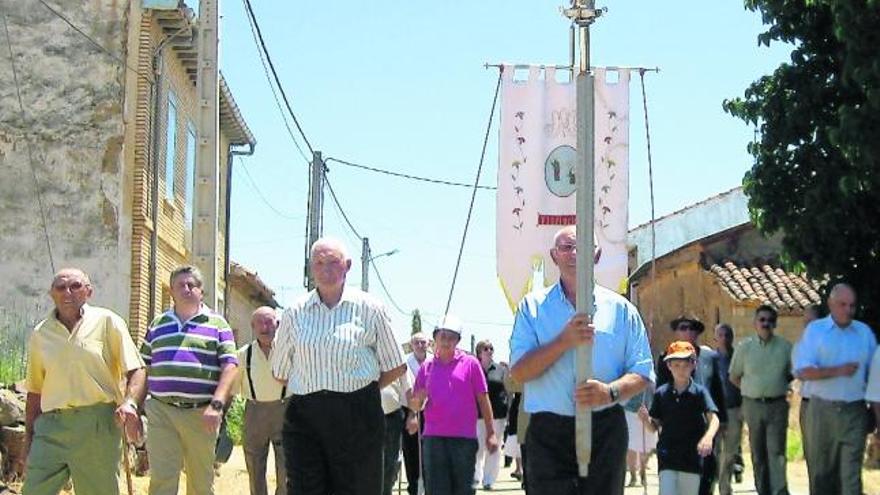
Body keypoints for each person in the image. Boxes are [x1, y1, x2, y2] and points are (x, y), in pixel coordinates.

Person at [509, 226, 654, 495]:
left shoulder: (621, 310)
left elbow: (642, 371)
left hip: (605, 428)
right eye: (566, 248)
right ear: (554, 256)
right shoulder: (532, 308)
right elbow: (519, 371)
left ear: (597, 255)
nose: (575, 254)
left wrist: (609, 392)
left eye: (584, 247)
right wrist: (563, 341)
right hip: (549, 431)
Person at [271, 237, 406, 495]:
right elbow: (279, 371)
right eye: (319, 263)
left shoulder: (370, 308)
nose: (326, 269)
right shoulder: (295, 312)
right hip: (305, 418)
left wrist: (361, 389)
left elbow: (396, 365)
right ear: (311, 268)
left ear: (348, 266)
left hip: (358, 417)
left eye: (333, 262)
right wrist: (314, 384)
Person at [23, 268, 145, 495]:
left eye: (75, 286)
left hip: (97, 425)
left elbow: (137, 369)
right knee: (33, 491)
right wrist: (29, 440)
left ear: (89, 292)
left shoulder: (108, 321)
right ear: (52, 294)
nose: (67, 292)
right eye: (60, 287)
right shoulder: (41, 334)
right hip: (51, 426)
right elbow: (35, 392)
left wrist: (130, 403)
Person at [140, 265, 239, 495]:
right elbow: (143, 366)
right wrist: (135, 406)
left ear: (200, 291)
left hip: (201, 413)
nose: (186, 289)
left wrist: (217, 405)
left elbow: (230, 366)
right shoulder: (158, 324)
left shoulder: (217, 324)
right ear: (171, 291)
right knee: (162, 481)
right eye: (180, 285)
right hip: (161, 411)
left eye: (191, 285)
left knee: (200, 483)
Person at [793, 283, 877, 495]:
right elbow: (802, 371)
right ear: (830, 304)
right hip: (822, 410)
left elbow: (874, 376)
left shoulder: (864, 333)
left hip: (855, 410)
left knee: (851, 478)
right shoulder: (816, 331)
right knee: (822, 476)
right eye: (842, 304)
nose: (848, 310)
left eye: (852, 305)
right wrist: (837, 370)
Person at [409, 315, 498, 495]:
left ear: (458, 340)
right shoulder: (426, 367)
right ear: (434, 339)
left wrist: (491, 433)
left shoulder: (471, 363)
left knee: (463, 490)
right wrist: (415, 408)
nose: (446, 341)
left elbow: (483, 399)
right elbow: (415, 405)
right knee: (436, 490)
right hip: (434, 439)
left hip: (464, 439)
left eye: (451, 337)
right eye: (442, 336)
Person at [655, 316, 726, 495]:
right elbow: (659, 398)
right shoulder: (666, 359)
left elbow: (717, 389)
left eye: (693, 328)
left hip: (703, 429)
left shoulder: (710, 357)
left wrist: (720, 424)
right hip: (673, 432)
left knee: (705, 475)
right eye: (683, 327)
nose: (688, 331)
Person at [640, 341, 720, 495]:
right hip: (667, 456)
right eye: (676, 365)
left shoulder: (699, 392)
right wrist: (645, 419)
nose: (681, 370)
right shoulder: (661, 394)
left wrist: (708, 438)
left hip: (692, 457)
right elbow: (654, 426)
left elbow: (714, 418)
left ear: (693, 365)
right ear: (669, 366)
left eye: (685, 365)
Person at [728, 305, 792, 495]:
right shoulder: (744, 348)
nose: (766, 324)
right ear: (755, 323)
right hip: (752, 405)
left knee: (777, 452)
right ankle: (762, 489)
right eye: (762, 320)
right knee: (758, 453)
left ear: (775, 324)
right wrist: (750, 390)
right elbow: (734, 376)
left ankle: (779, 490)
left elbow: (793, 373)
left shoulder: (786, 347)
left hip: (777, 404)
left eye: (769, 320)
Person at [236, 306, 288, 495]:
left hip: (285, 411)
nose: (265, 328)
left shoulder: (289, 351)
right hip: (255, 413)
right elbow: (232, 388)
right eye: (260, 323)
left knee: (287, 469)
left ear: (278, 324)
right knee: (255, 467)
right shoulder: (243, 354)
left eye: (269, 322)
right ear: (252, 326)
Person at [473, 339, 508, 490]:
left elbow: (509, 390)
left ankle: (488, 480)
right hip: (478, 415)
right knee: (478, 448)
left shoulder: (501, 369)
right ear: (479, 352)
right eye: (486, 348)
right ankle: (476, 477)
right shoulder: (473, 369)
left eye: (491, 348)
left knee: (494, 448)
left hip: (498, 415)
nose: (489, 351)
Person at [713, 323, 743, 495]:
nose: (724, 338)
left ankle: (725, 488)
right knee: (714, 452)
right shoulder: (711, 359)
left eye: (727, 335)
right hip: (715, 412)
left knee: (730, 452)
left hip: (734, 409)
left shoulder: (738, 357)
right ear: (715, 338)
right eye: (721, 335)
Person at [402, 332, 430, 495]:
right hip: (408, 411)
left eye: (423, 343)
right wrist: (412, 413)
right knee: (411, 452)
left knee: (429, 453)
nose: (420, 346)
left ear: (428, 344)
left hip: (431, 412)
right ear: (412, 345)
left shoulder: (434, 362)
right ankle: (413, 487)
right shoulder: (405, 363)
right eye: (417, 343)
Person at [381, 371, 410, 495]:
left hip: (392, 417)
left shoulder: (397, 356)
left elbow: (408, 387)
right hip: (366, 418)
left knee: (391, 464)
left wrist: (413, 414)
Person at [623, 390, 656, 487]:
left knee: (647, 446)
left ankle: (642, 470)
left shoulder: (654, 375)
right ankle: (633, 475)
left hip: (649, 412)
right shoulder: (628, 374)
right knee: (631, 446)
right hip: (630, 410)